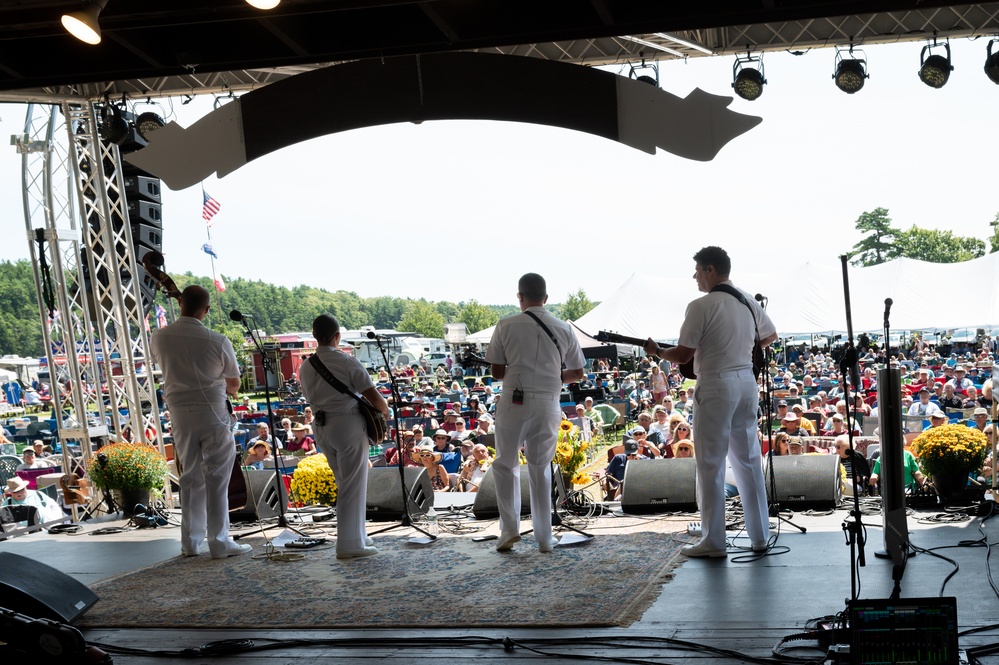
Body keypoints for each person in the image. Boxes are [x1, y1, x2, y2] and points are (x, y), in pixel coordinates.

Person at [645, 246, 777, 558]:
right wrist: (740, 346)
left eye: (697, 270)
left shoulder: (700, 305)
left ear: (710, 270)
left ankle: (714, 540)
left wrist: (657, 352)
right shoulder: (746, 300)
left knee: (711, 464)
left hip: (717, 383)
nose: (694, 277)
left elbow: (682, 355)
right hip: (746, 381)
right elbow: (770, 336)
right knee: (748, 462)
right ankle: (760, 536)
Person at [486, 273, 585, 553]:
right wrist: (552, 375)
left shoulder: (505, 324)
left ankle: (508, 531)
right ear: (546, 298)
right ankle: (544, 538)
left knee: (506, 464)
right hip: (548, 401)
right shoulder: (564, 327)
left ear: (520, 296)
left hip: (514, 401)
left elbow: (497, 371)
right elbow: (577, 372)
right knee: (541, 468)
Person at [149, 285, 248, 559]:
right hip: (213, 411)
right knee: (217, 477)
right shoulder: (217, 340)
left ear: (179, 303)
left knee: (190, 475)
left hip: (180, 412)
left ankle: (190, 544)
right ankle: (219, 542)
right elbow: (234, 384)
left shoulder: (159, 336)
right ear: (205, 310)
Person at [300, 314, 389, 560]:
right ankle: (349, 544)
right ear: (337, 336)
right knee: (353, 483)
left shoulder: (306, 365)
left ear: (315, 336)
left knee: (345, 482)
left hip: (320, 426)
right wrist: (385, 410)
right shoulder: (347, 362)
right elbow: (374, 398)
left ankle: (357, 535)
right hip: (346, 424)